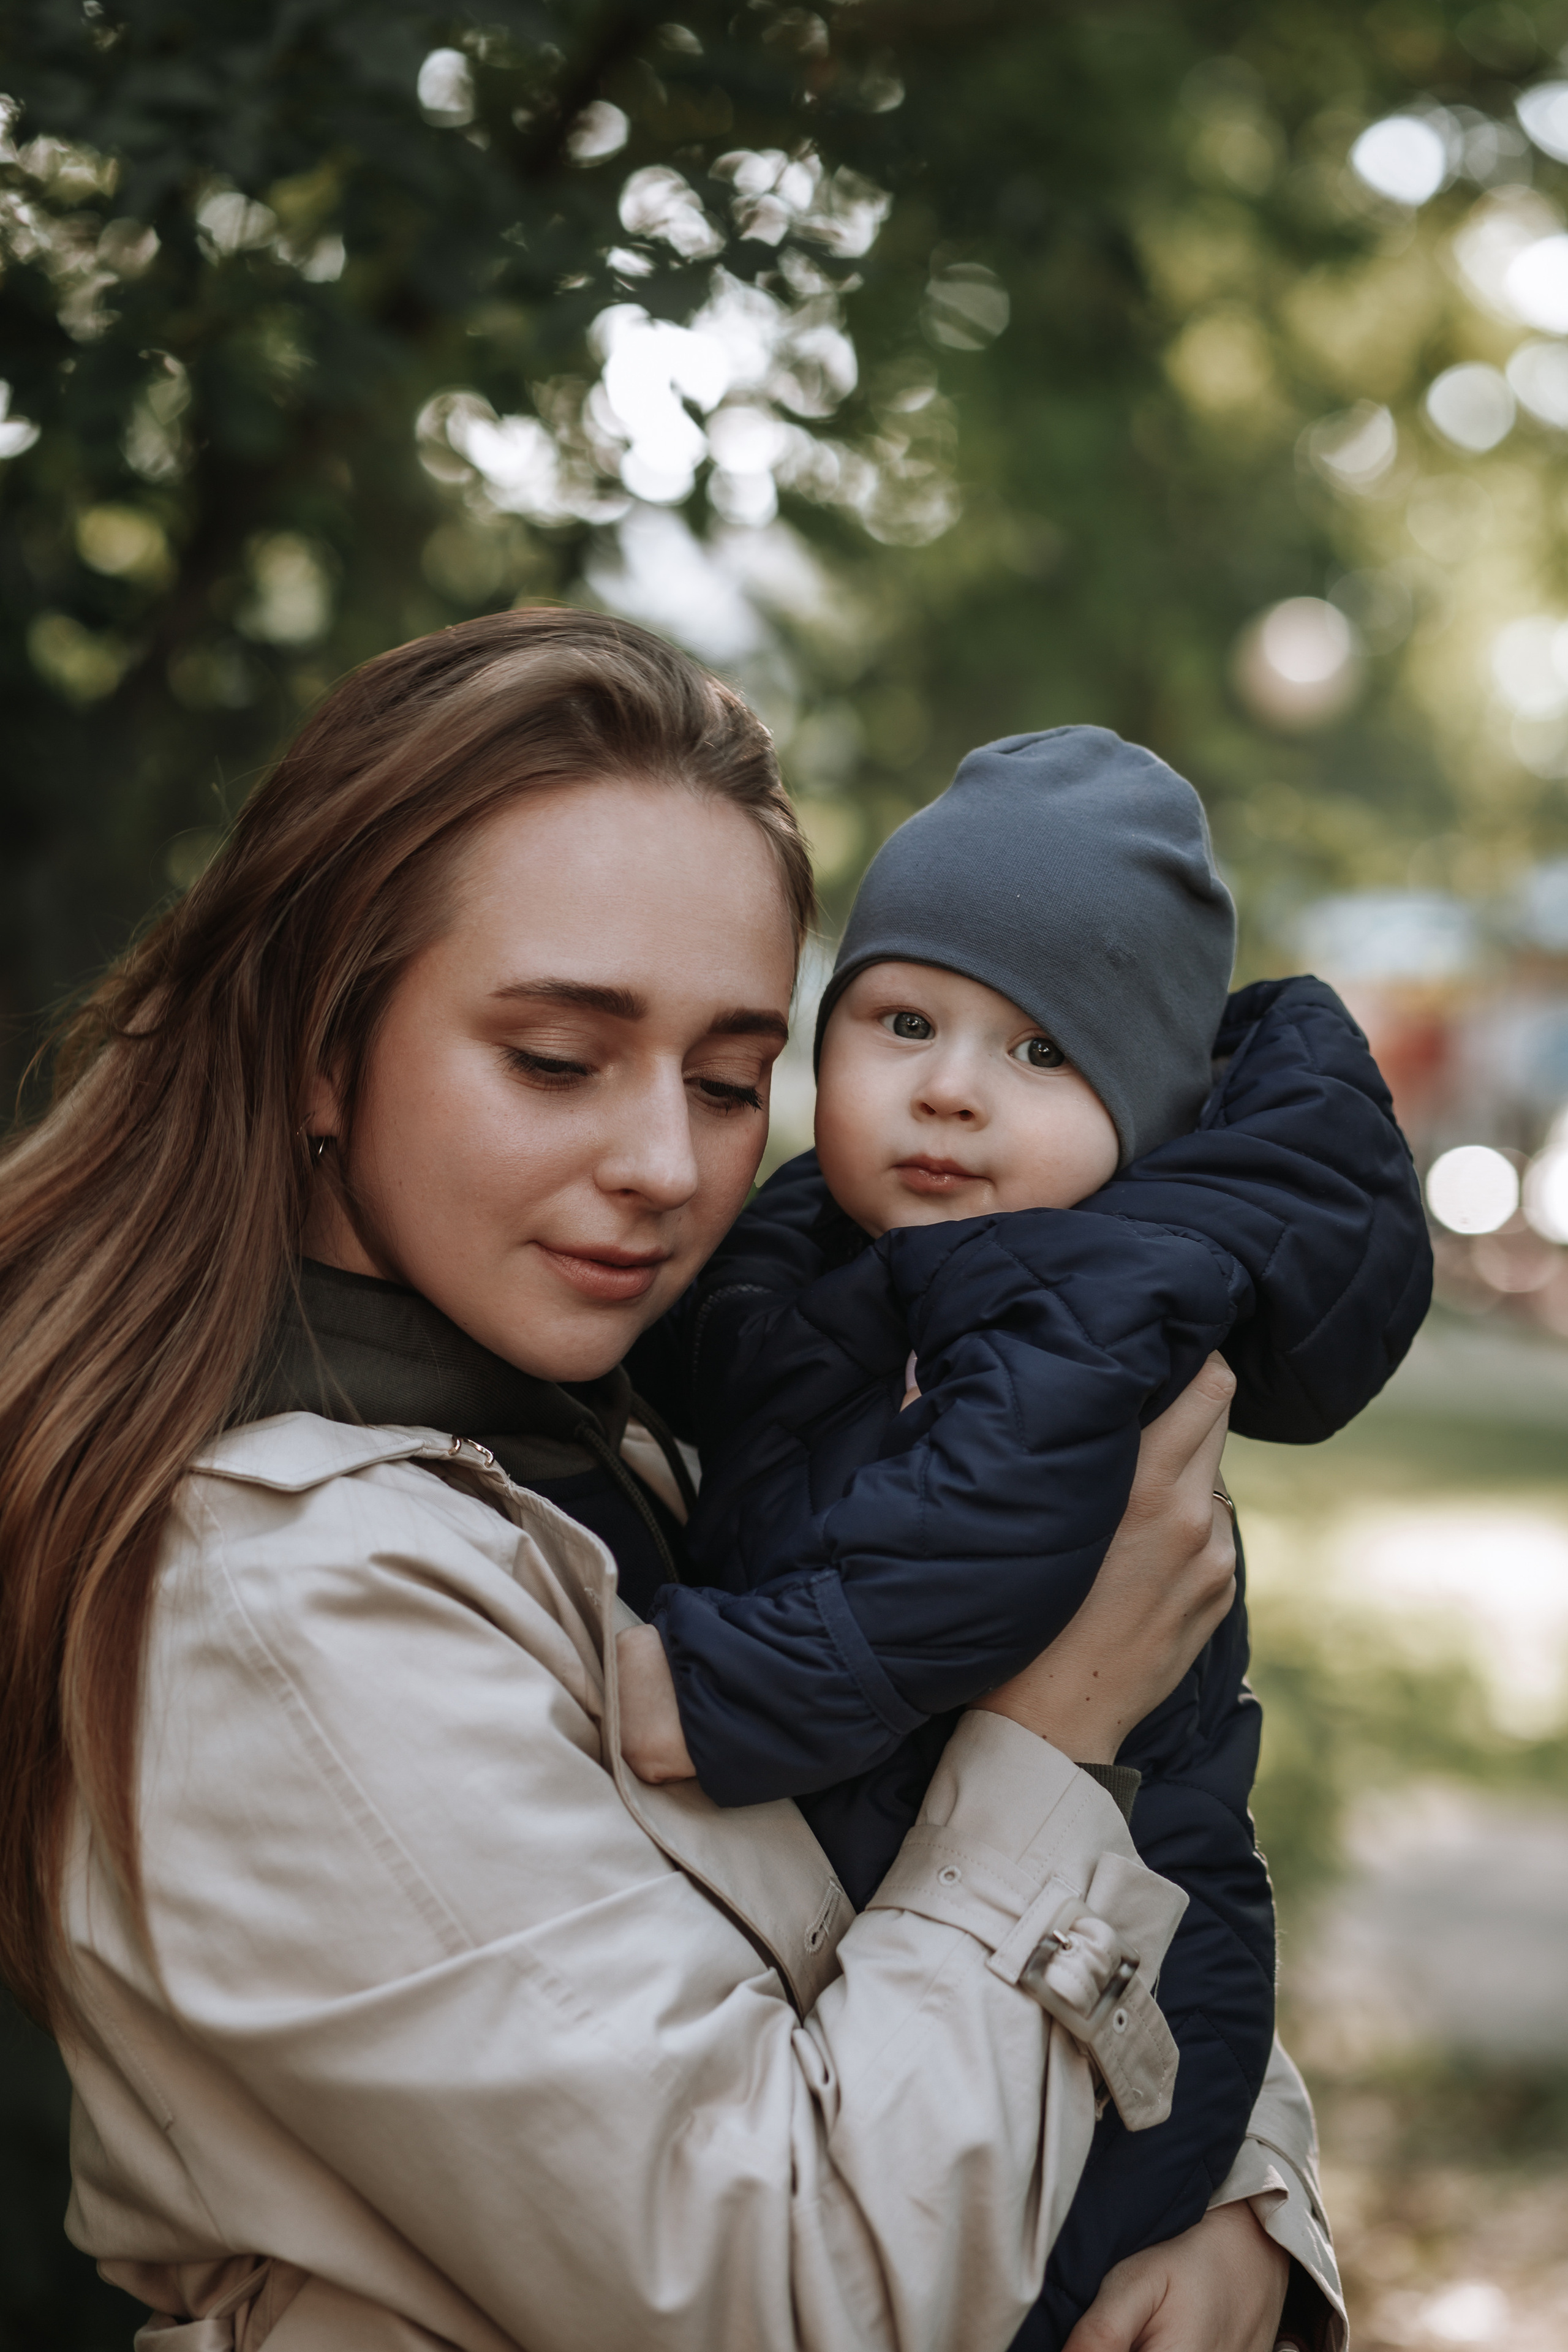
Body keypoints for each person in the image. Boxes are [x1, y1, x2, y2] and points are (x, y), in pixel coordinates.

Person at [0, 611, 1341, 2352]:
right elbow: (787, 2300)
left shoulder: (626, 1413)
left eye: (728, 1080)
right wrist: (1057, 1723)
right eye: (556, 1060)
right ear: (321, 1053)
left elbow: (919, 1880)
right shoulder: (276, 1591)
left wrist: (1240, 2175)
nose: (663, 1167)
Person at [616, 730, 1430, 2344]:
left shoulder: (1089, 1295)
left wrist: (721, 1689)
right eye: (902, 1022)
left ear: (1141, 1115)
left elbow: (972, 1552)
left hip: (1135, 1918)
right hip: (977, 1909)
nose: (949, 1085)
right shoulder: (829, 1246)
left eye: (1044, 1054)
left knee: (1044, 2293)